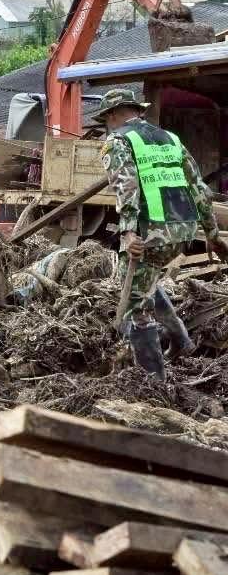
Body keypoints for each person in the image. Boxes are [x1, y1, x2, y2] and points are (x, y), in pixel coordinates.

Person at [95, 88, 226, 378]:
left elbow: (125, 187)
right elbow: (199, 189)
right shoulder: (171, 139)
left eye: (106, 118)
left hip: (150, 233)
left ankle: (153, 381)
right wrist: (212, 233)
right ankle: (181, 340)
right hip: (183, 231)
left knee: (136, 308)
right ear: (138, 111)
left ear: (113, 115)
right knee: (146, 281)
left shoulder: (117, 141)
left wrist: (128, 232)